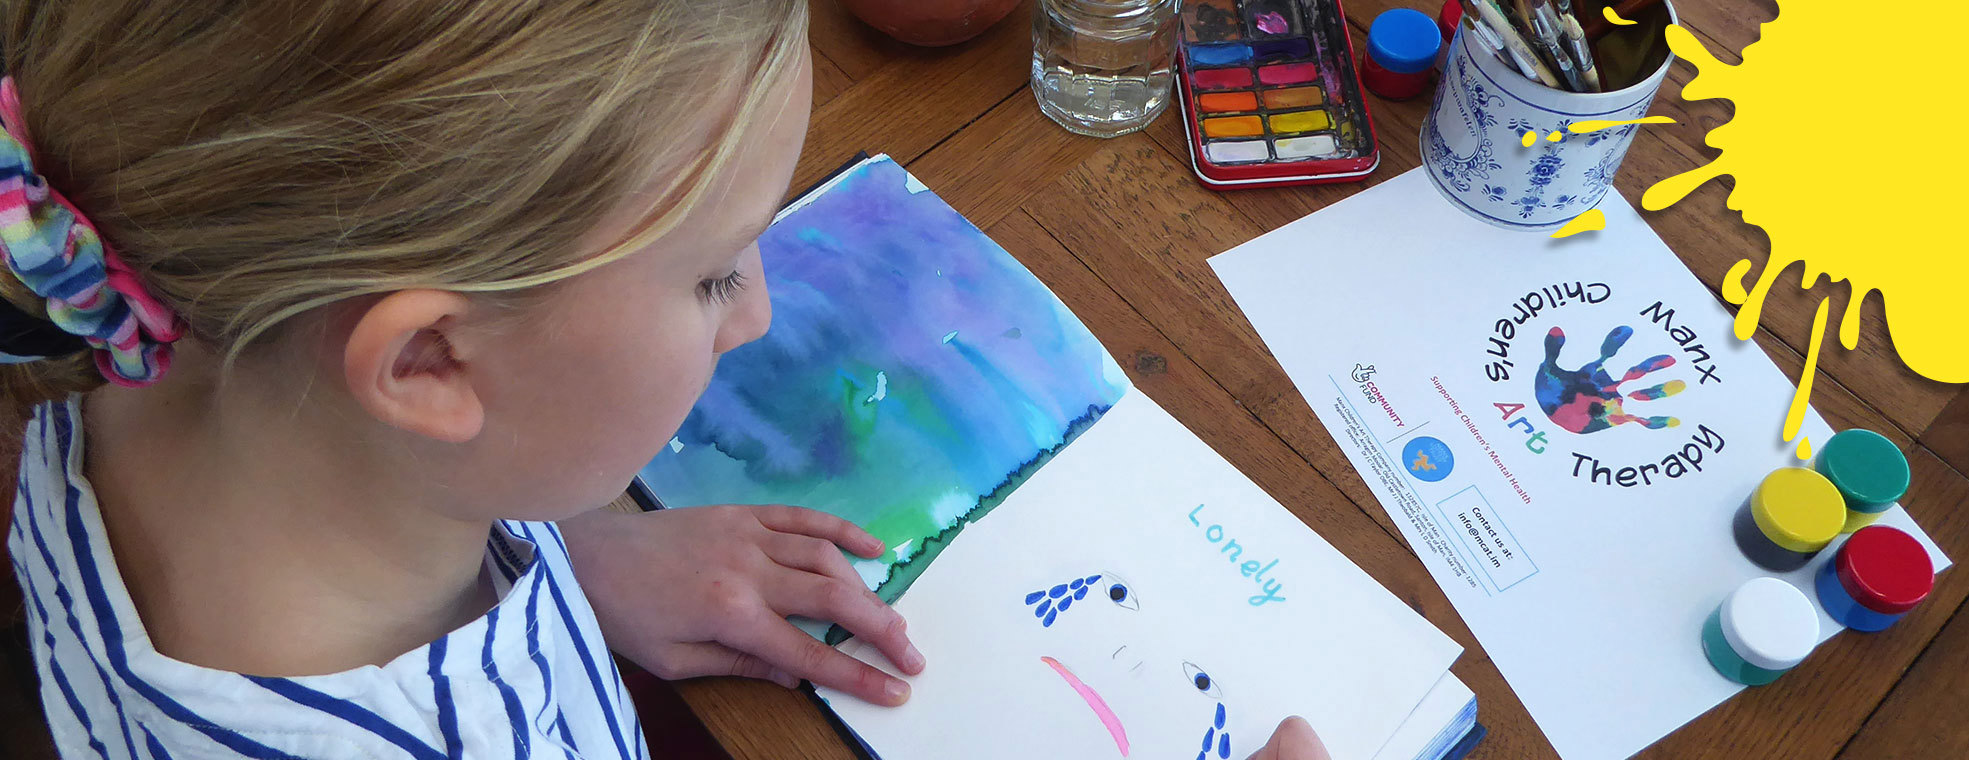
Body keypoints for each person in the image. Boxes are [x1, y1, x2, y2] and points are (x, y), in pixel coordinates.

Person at [0, 1, 1326, 757]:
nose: (757, 310)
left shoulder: (136, 341)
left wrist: (563, 561)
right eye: (711, 276)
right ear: (425, 362)